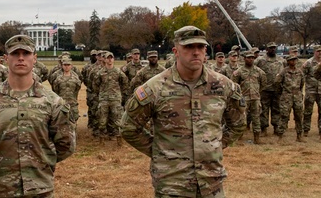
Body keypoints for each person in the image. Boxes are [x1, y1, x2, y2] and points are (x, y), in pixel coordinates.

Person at [121, 25, 246, 198]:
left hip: (211, 182)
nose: (196, 52)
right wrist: (160, 152)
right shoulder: (155, 88)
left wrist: (212, 145)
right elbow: (128, 127)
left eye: (200, 47)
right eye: (188, 47)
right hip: (172, 183)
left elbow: (238, 124)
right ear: (176, 51)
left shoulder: (223, 86)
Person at [0, 35, 75, 197]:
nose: (20, 58)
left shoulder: (53, 102)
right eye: (15, 54)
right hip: (0, 190)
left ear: (34, 58)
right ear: (6, 58)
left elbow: (66, 145)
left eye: (25, 54)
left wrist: (41, 160)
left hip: (40, 190)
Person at [93, 51, 128, 145]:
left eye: (111, 58)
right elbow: (95, 85)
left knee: (118, 120)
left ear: (113, 59)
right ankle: (102, 140)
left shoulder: (118, 72)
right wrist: (101, 94)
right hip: (104, 99)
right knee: (102, 121)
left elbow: (125, 83)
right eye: (108, 58)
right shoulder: (100, 73)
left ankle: (119, 141)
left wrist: (118, 93)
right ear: (104, 59)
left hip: (115, 100)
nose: (109, 59)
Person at [231, 51, 266, 144]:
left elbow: (263, 84)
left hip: (255, 98)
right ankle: (239, 138)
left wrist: (257, 92)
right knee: (241, 119)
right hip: (243, 99)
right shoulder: (238, 72)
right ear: (244, 59)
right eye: (248, 57)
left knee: (256, 118)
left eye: (252, 58)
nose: (251, 59)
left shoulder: (259, 71)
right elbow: (234, 85)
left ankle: (257, 138)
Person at [255, 42, 284, 136]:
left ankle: (276, 128)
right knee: (263, 109)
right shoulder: (260, 60)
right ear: (267, 49)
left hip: (277, 89)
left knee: (276, 109)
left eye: (274, 48)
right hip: (265, 89)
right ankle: (263, 128)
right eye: (271, 48)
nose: (273, 49)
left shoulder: (281, 60)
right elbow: (253, 69)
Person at [275, 55, 305, 143]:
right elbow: (277, 83)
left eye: (295, 60)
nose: (293, 61)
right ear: (288, 61)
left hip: (297, 97)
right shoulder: (284, 72)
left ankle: (299, 136)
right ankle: (280, 136)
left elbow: (302, 83)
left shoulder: (299, 71)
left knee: (299, 116)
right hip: (286, 97)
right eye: (291, 60)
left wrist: (298, 93)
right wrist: (282, 92)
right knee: (284, 116)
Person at [51, 56, 82, 124]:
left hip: (73, 104)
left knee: (73, 122)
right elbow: (56, 91)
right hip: (62, 104)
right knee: (61, 123)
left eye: (68, 65)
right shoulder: (58, 79)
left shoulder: (76, 79)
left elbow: (76, 90)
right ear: (62, 66)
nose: (66, 67)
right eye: (65, 65)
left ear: (71, 66)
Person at [302, 46, 321, 137]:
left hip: (320, 91)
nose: (319, 53)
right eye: (318, 51)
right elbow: (302, 75)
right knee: (308, 111)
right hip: (311, 90)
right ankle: (306, 129)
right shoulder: (309, 63)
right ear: (314, 52)